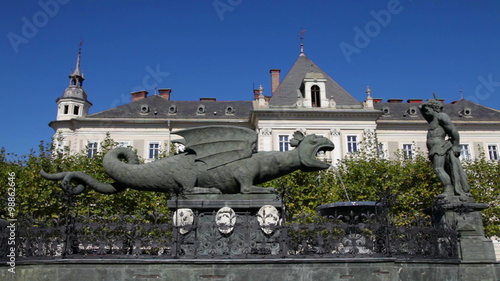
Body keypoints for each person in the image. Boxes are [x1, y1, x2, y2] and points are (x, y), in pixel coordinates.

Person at [420, 98, 473, 202]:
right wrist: (425, 105)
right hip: (434, 148)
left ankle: (448, 189)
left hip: (440, 147)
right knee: (443, 169)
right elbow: (420, 108)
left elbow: (453, 130)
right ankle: (449, 189)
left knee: (438, 169)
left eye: (428, 109)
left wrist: (456, 145)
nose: (426, 112)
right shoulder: (432, 119)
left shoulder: (441, 116)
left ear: (434, 108)